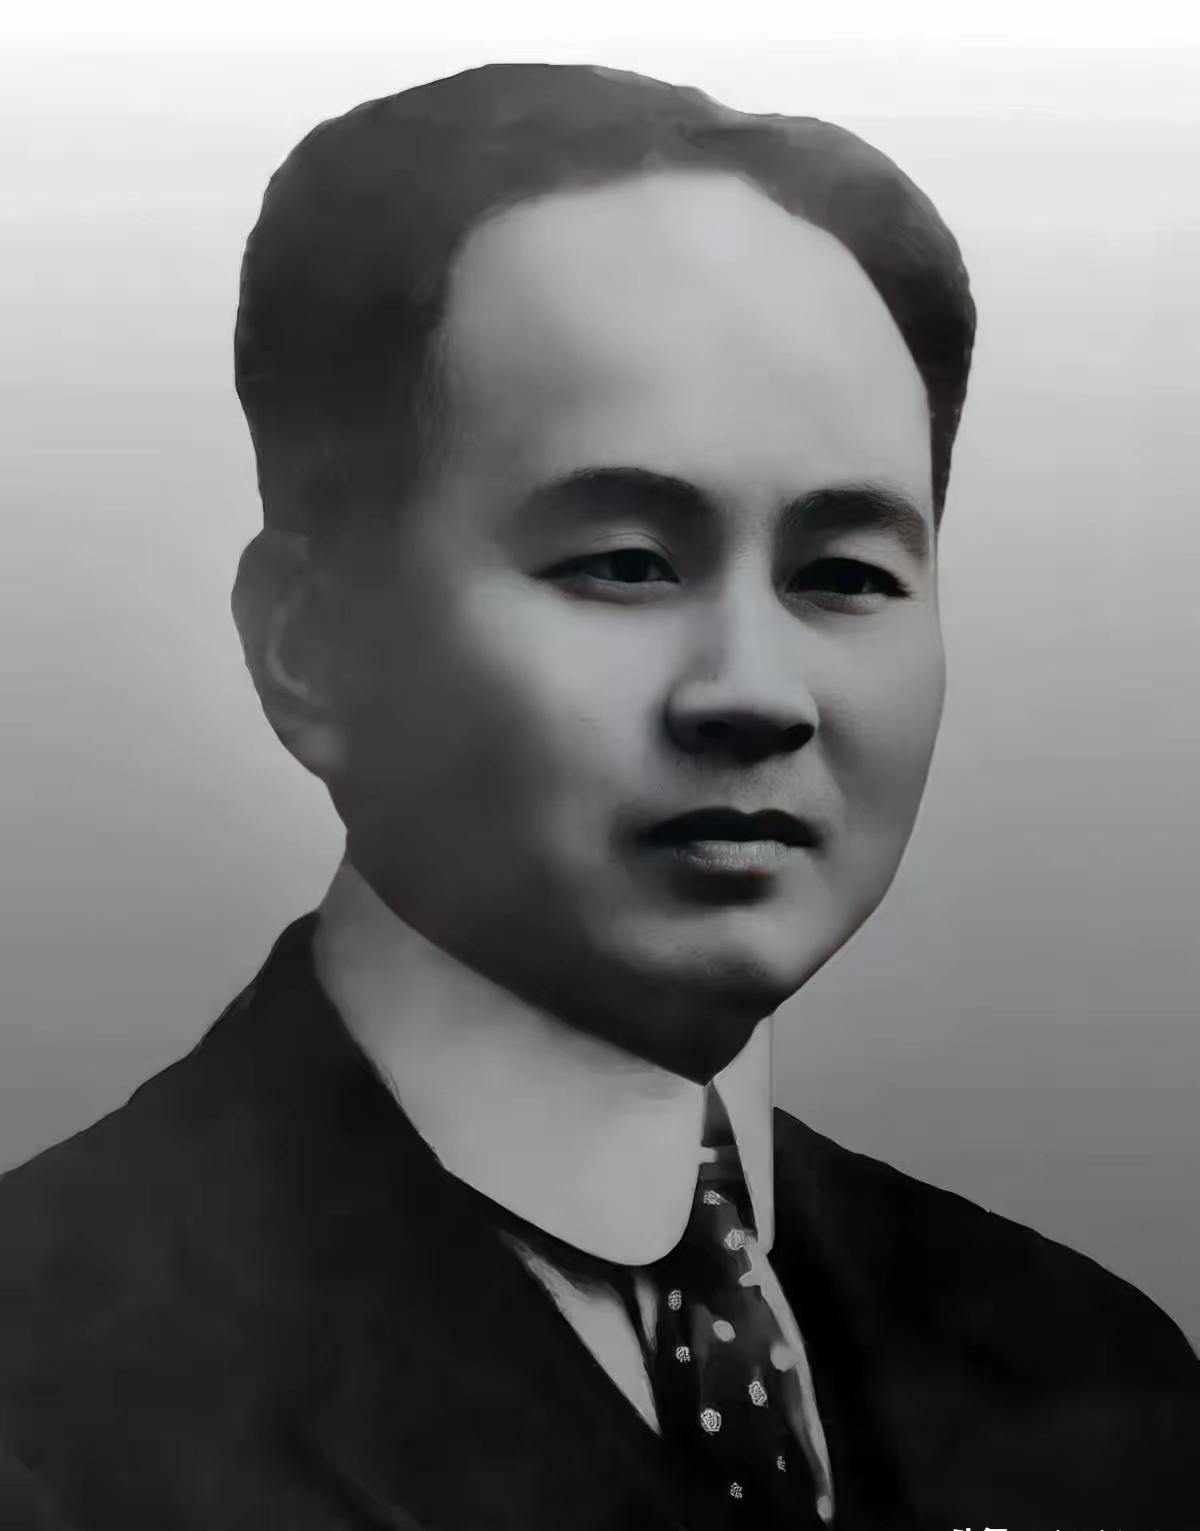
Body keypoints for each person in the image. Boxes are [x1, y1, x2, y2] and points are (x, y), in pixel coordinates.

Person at [0, 61, 1195, 1531]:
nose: (755, 690)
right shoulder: (44, 1392)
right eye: (624, 563)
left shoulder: (1095, 1368)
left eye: (844, 575)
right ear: (310, 648)